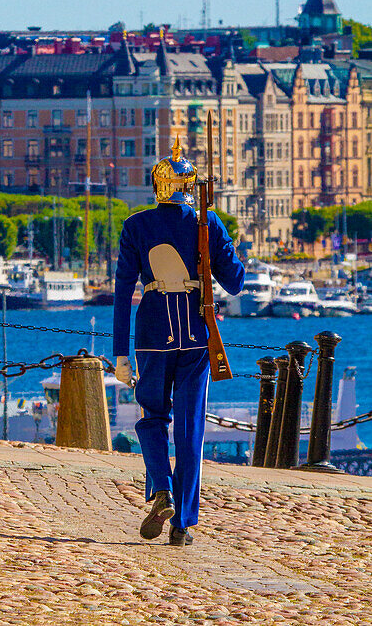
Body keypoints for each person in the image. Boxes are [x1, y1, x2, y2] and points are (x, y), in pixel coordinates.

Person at [113, 137, 245, 546]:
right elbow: (235, 282)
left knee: (152, 418)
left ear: (156, 187)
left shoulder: (135, 225)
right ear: (189, 188)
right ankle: (183, 523)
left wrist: (120, 352)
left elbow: (121, 291)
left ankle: (163, 490)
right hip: (195, 336)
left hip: (152, 335)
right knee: (189, 430)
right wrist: (224, 246)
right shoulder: (206, 222)